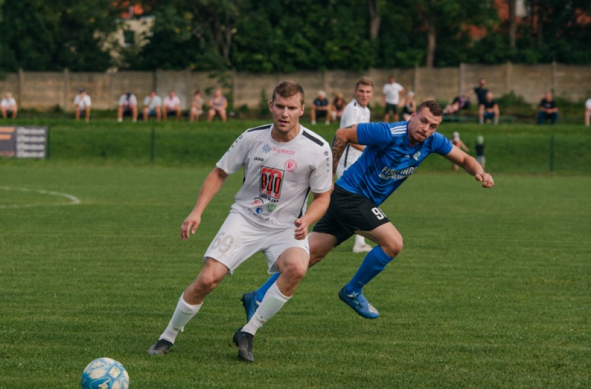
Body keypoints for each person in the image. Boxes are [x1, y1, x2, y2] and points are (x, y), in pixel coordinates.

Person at [241, 100, 494, 322]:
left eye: (433, 126)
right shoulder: (388, 132)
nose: (426, 129)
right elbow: (343, 134)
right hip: (351, 197)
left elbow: (463, 159)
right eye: (423, 121)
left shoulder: (431, 141)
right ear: (413, 115)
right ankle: (352, 291)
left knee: (310, 256)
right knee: (393, 243)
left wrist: (479, 171)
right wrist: (327, 176)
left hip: (355, 202)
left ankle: (257, 296)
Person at [146, 81, 333, 363]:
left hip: (286, 226)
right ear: (271, 106)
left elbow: (323, 196)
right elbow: (219, 173)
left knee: (296, 268)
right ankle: (168, 335)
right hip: (245, 218)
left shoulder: (318, 148)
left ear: (302, 110)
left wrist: (307, 219)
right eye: (280, 106)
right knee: (208, 279)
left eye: (291, 108)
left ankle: (248, 331)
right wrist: (197, 211)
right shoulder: (251, 138)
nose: (285, 113)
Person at [335, 76, 375, 254]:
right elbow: (348, 138)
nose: (364, 95)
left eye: (367, 92)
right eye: (361, 91)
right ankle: (359, 243)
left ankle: (358, 242)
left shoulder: (366, 111)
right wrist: (371, 151)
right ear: (355, 92)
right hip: (346, 164)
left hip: (357, 164)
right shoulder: (352, 110)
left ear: (372, 94)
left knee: (352, 204)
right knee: (358, 203)